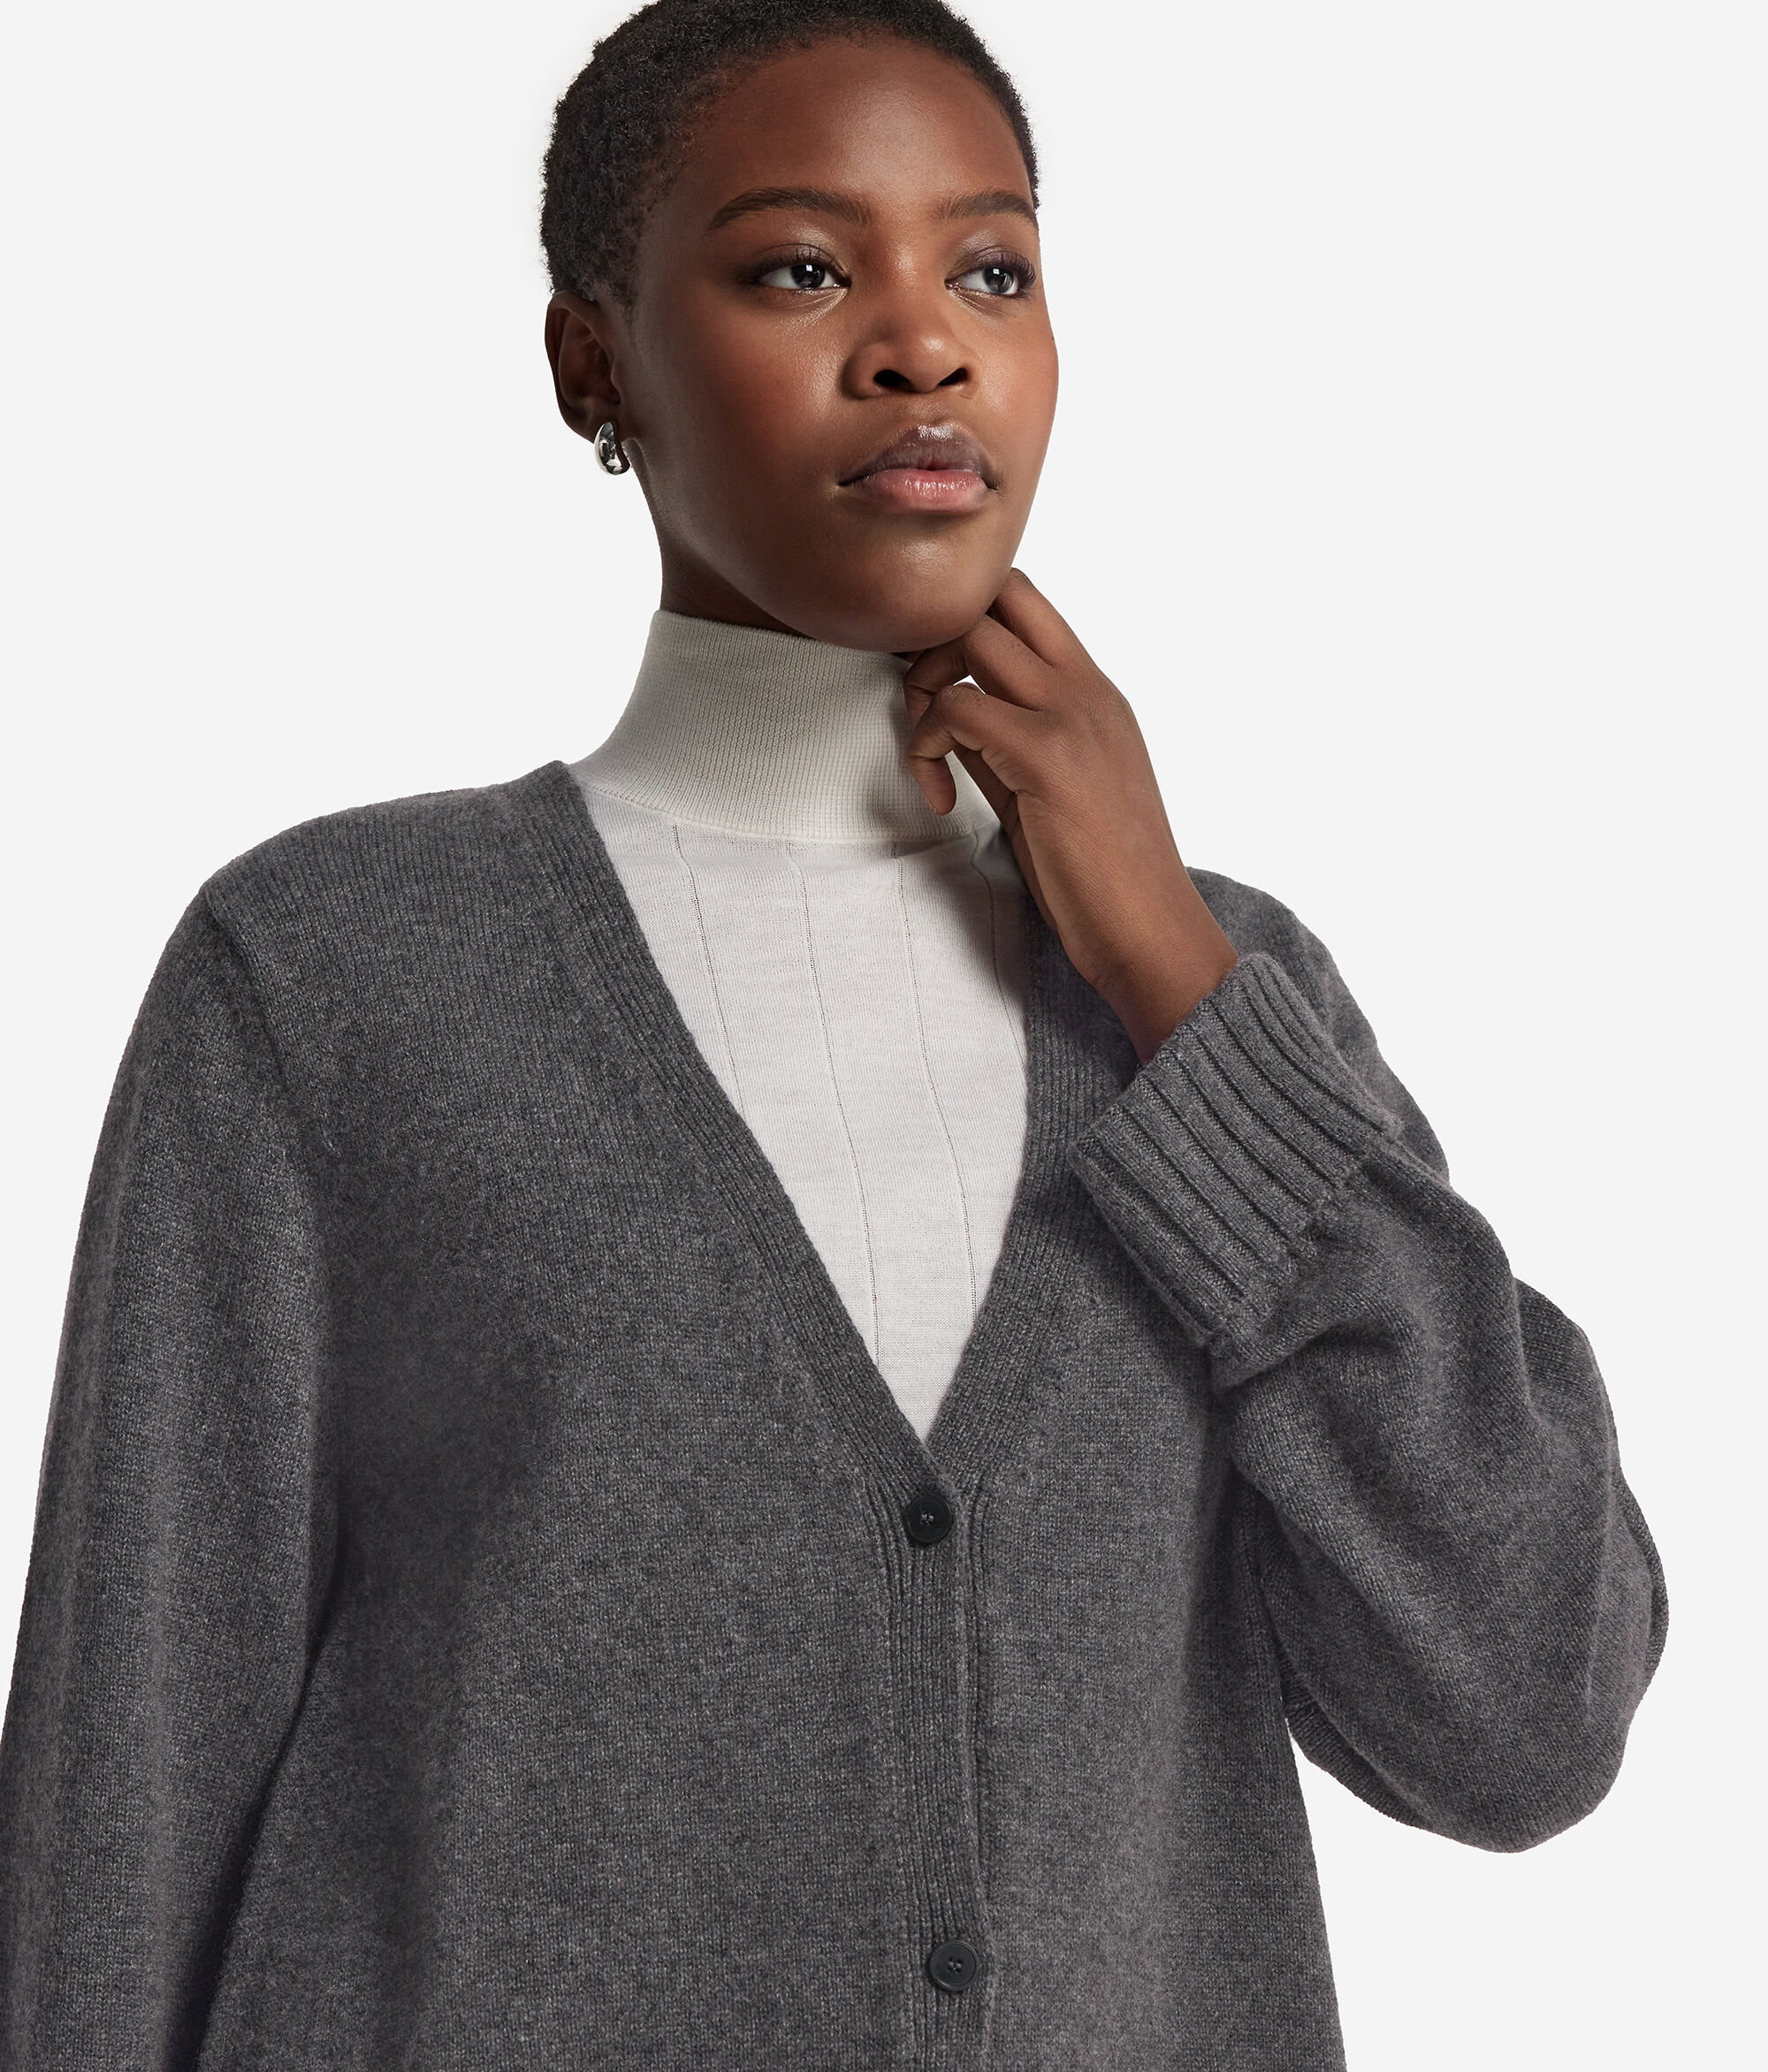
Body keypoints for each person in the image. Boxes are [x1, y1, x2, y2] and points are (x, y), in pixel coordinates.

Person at [0, 1, 1666, 2065]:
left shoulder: (1226, 1003)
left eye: (993, 270)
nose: (921, 345)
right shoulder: (335, 974)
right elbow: (126, 1801)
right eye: (801, 267)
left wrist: (1168, 969)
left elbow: (1522, 1713)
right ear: (591, 362)